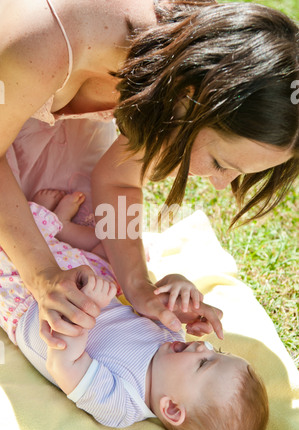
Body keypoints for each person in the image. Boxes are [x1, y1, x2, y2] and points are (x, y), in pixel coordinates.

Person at [0, 1, 298, 350]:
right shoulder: (41, 41)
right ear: (188, 99)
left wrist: (139, 285)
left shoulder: (190, 57)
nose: (219, 183)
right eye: (220, 163)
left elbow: (120, 180)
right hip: (18, 68)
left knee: (82, 228)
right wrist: (44, 276)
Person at [0, 192, 268, 430]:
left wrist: (90, 308)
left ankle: (43, 222)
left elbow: (62, 363)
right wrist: (179, 291)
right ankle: (55, 226)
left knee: (11, 248)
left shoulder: (122, 403)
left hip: (29, 302)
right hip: (81, 275)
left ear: (172, 408)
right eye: (217, 351)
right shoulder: (171, 340)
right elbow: (151, 298)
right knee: (102, 253)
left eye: (204, 364)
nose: (203, 347)